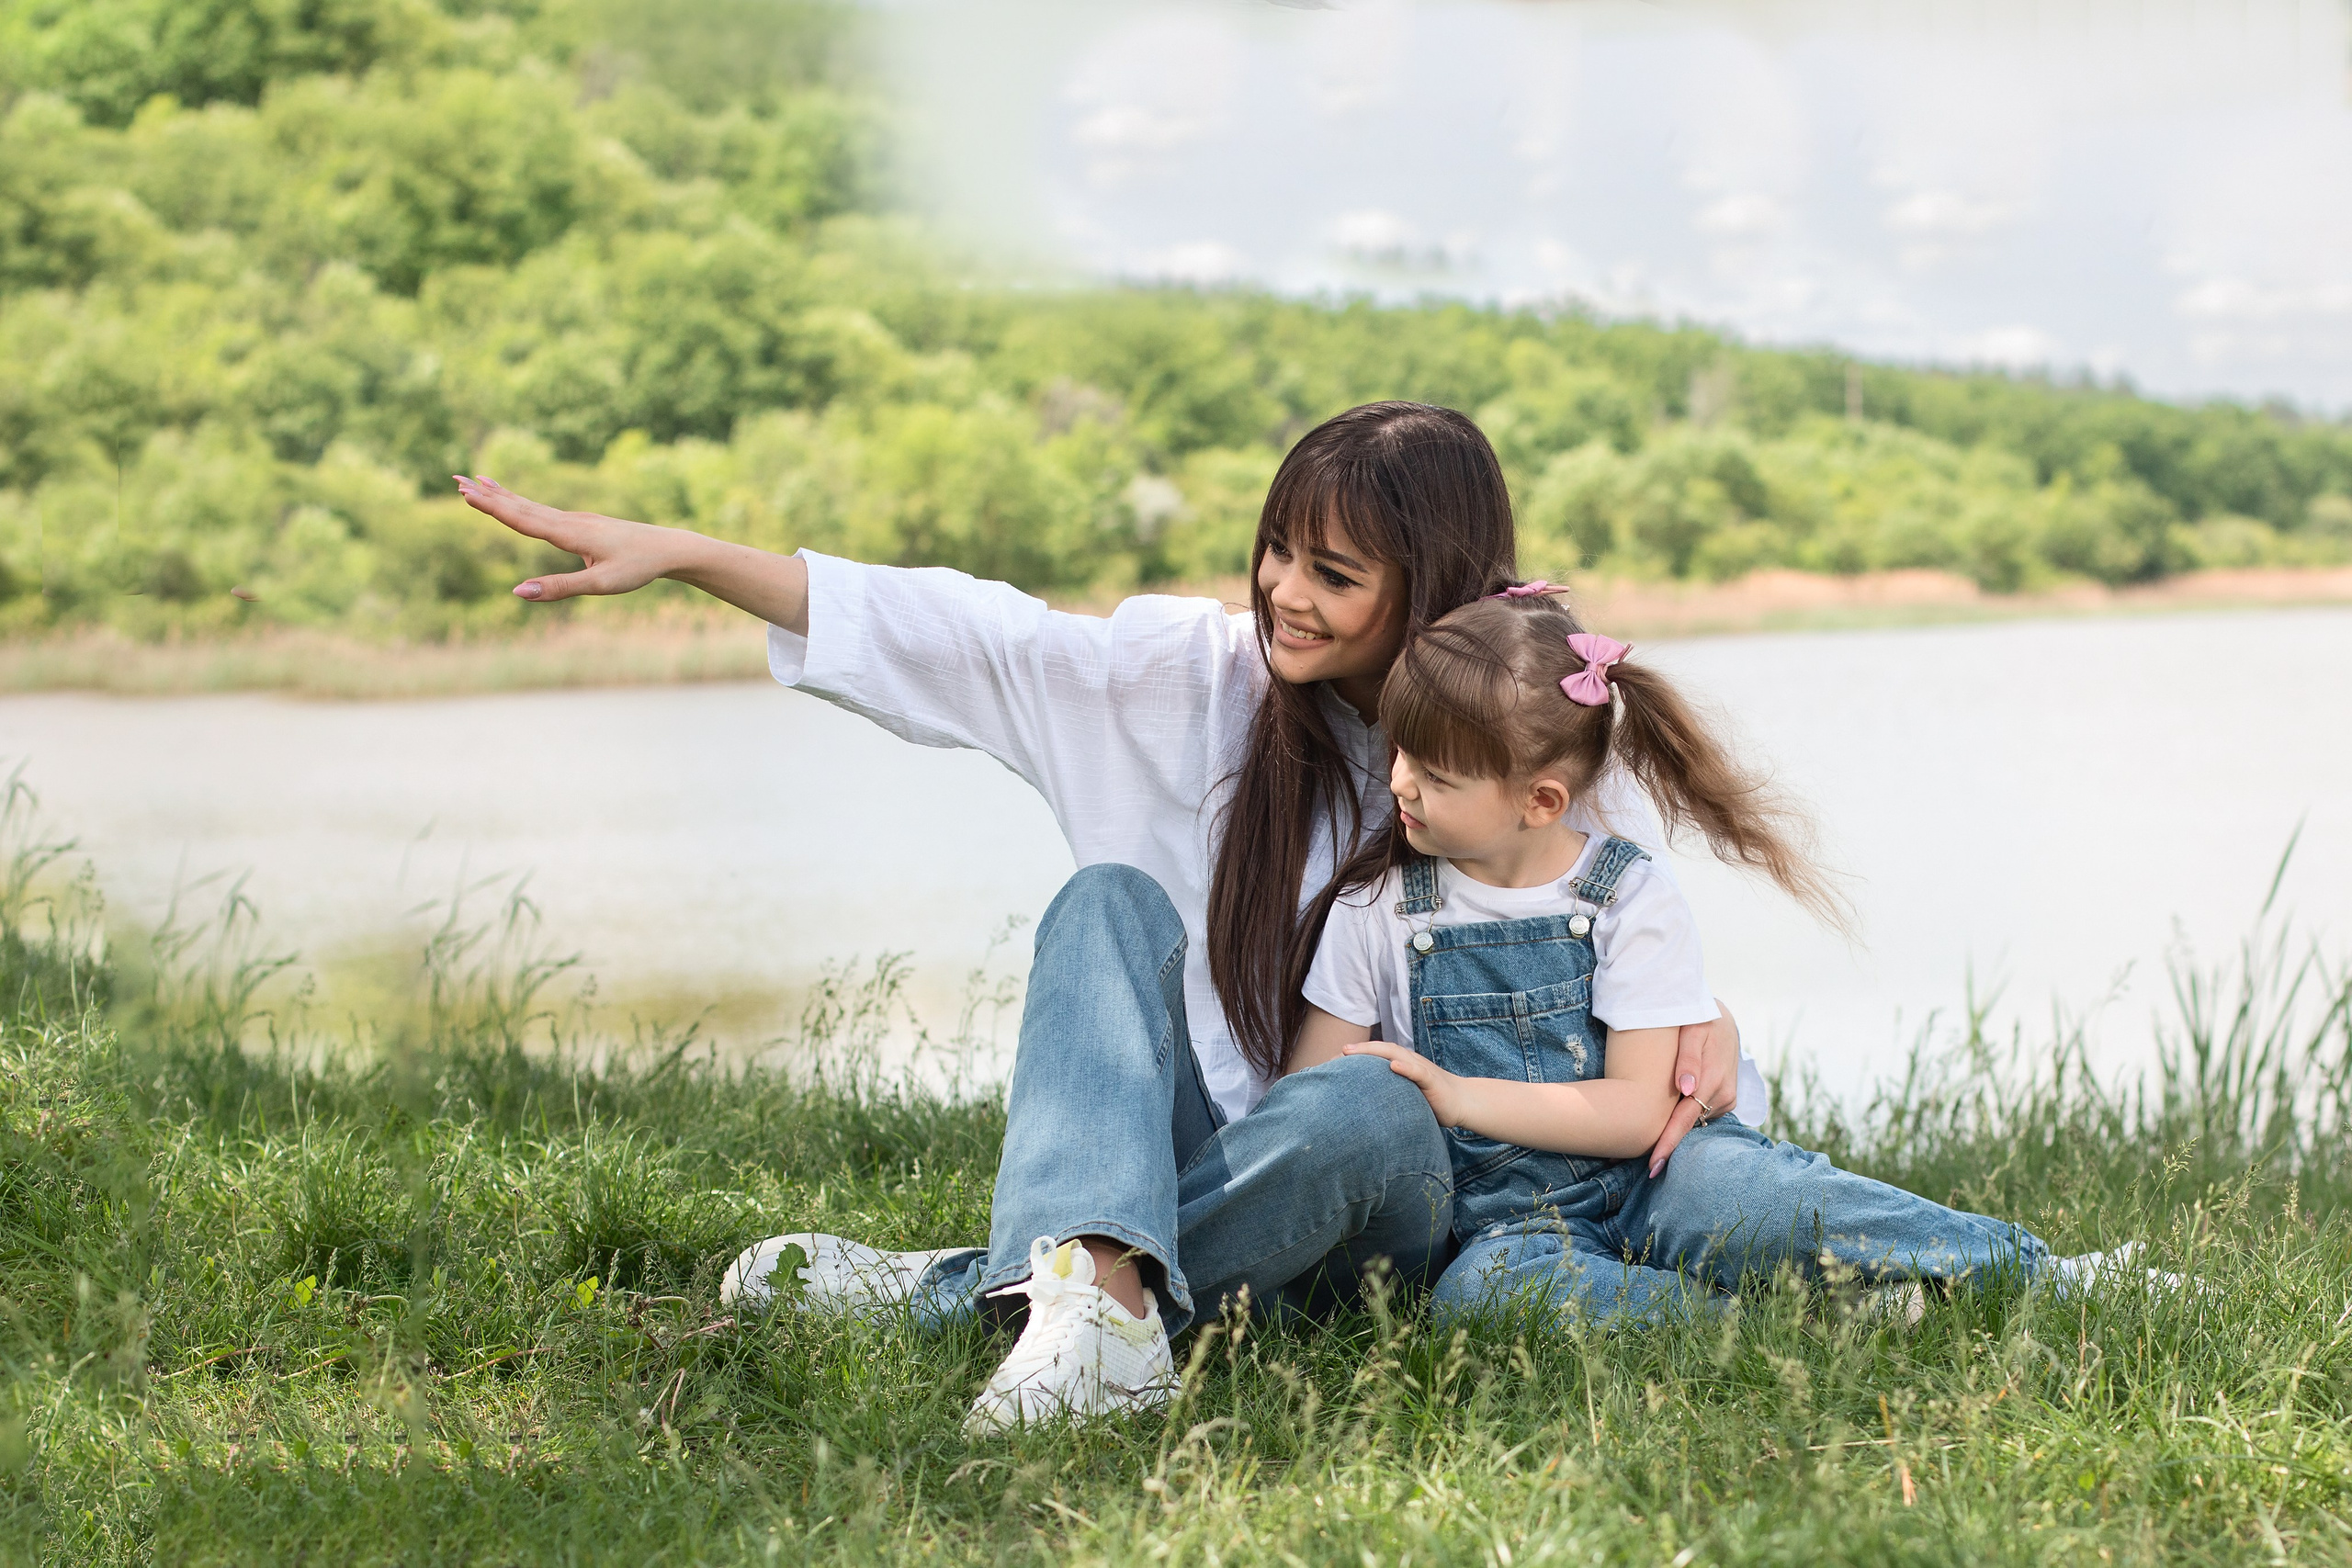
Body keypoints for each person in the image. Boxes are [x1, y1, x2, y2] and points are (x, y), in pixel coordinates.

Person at [454, 401, 1754, 1433]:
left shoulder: (1540, 734)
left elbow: (1634, 972)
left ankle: (993, 1288)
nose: (1283, 590)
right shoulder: (1194, 677)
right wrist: (687, 555)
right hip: (1206, 1149)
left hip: (1401, 1205)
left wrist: (1711, 1024)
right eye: (1278, 548)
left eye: (1334, 571)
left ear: (1428, 586)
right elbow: (974, 635)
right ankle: (1097, 1308)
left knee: (1368, 1097)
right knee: (1104, 904)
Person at [1291, 588, 2151, 1324]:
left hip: (1666, 1172)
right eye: (1400, 751)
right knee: (1479, 1299)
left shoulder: (1625, 895)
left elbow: (1635, 1110)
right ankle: (1795, 1323)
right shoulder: (1377, 909)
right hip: (1509, 1226)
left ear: (1540, 800)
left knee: (1770, 1204)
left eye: (1435, 774)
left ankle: (2041, 1272)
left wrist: (1455, 1095)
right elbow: (1316, 1100)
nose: (1399, 781)